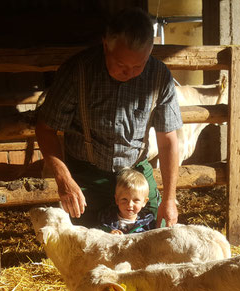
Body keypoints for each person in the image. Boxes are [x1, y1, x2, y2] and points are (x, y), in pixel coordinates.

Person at [35, 7, 182, 228]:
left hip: (135, 172)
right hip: (86, 173)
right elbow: (45, 128)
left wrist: (170, 200)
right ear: (106, 45)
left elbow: (168, 138)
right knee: (87, 244)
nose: (130, 73)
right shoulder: (78, 72)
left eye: (138, 65)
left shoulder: (159, 76)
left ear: (150, 51)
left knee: (154, 233)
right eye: (122, 65)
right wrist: (64, 179)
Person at [99, 168, 155, 234]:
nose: (130, 204)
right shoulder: (107, 218)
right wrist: (109, 233)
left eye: (136, 200)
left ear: (144, 202)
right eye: (124, 199)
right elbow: (99, 232)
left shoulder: (148, 222)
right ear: (117, 199)